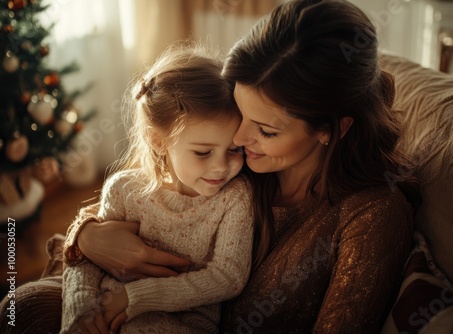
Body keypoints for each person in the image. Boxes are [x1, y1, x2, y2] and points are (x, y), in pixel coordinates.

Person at [0, 0, 420, 333]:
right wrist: (86, 238)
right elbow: (131, 203)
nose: (237, 140)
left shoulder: (372, 215)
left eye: (266, 130)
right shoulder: (240, 163)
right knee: (20, 308)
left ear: (331, 129)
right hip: (122, 298)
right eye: (241, 114)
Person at [60, 45, 255, 334]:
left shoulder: (235, 197)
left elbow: (228, 277)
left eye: (235, 149)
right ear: (158, 141)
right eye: (203, 152)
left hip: (182, 322)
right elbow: (87, 258)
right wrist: (80, 310)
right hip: (103, 311)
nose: (221, 167)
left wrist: (134, 298)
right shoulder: (124, 189)